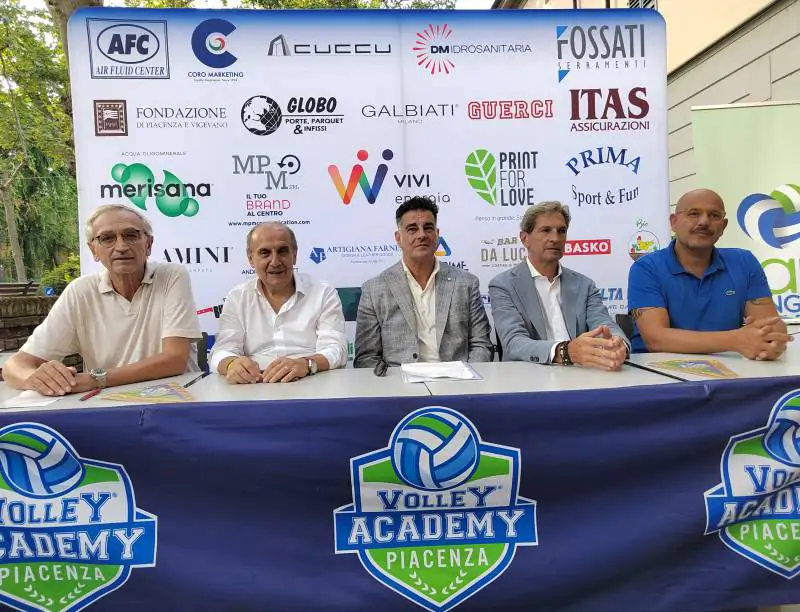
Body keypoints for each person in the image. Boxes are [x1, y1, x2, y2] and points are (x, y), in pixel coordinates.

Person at [3, 204, 201, 395]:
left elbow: (175, 359)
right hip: (106, 406)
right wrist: (37, 380)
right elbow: (15, 366)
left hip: (177, 402)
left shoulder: (171, 276)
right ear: (94, 250)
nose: (121, 246)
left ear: (148, 244)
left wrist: (96, 379)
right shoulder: (80, 291)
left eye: (131, 235)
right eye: (107, 238)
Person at [627, 188, 791, 359]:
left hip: (733, 367)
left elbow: (769, 325)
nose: (704, 221)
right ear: (674, 222)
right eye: (694, 213)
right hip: (656, 369)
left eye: (714, 215)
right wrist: (736, 340)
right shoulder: (646, 268)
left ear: (723, 226)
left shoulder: (744, 262)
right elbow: (656, 339)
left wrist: (771, 339)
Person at [354, 196, 493, 368]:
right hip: (398, 380)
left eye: (428, 228)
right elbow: (367, 358)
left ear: (437, 234)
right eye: (412, 229)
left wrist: (468, 376)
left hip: (457, 379)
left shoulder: (466, 283)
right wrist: (390, 381)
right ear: (398, 238)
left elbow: (481, 345)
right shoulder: (374, 290)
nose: (421, 235)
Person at [489, 201, 628, 370]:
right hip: (530, 375)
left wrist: (617, 345)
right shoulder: (504, 285)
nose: (555, 238)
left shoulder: (584, 285)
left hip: (582, 375)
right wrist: (565, 352)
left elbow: (605, 325)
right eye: (546, 230)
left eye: (562, 231)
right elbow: (514, 342)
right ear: (525, 239)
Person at [210, 222, 347, 384]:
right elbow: (221, 352)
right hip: (254, 386)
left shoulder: (323, 293)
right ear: (251, 259)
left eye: (282, 251)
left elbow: (336, 349)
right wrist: (232, 364)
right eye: (265, 253)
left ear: (294, 255)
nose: (275, 261)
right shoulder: (237, 297)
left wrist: (307, 364)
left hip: (311, 381)